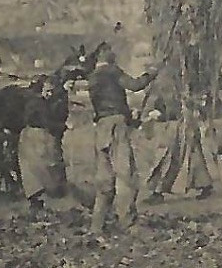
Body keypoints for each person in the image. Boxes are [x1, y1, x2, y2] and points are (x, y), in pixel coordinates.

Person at [87, 43, 156, 237]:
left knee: (104, 178)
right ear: (103, 54)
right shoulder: (111, 72)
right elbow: (135, 86)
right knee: (125, 173)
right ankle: (127, 221)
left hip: (101, 127)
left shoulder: (93, 77)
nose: (114, 53)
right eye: (110, 50)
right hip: (116, 126)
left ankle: (97, 225)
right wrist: (150, 74)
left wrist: (130, 118)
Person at [19, 76, 70, 214]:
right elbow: (46, 121)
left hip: (34, 136)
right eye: (47, 91)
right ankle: (43, 197)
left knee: (35, 171)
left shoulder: (42, 102)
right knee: (44, 168)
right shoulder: (38, 104)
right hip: (35, 137)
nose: (49, 94)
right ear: (42, 90)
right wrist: (63, 126)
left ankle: (37, 200)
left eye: (52, 91)